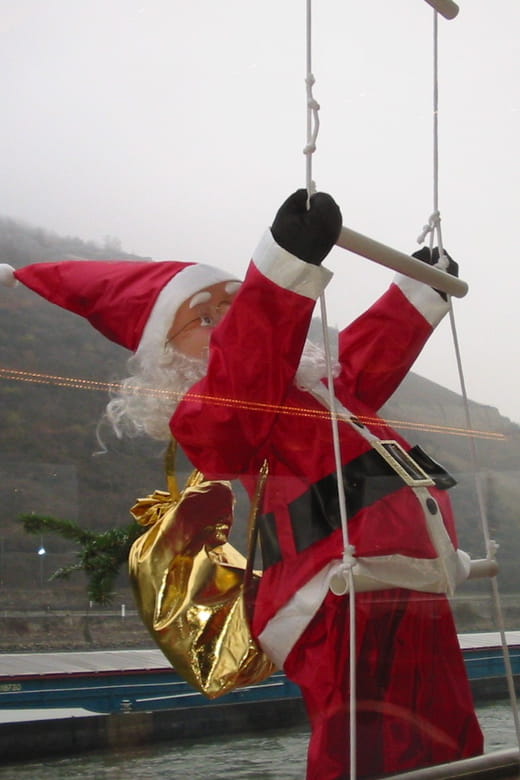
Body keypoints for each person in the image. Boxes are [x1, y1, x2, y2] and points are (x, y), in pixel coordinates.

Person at [0, 190, 483, 779]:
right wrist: (280, 275)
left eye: (235, 306)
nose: (228, 323)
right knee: (365, 742)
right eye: (206, 319)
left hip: (404, 578)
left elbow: (365, 357)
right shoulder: (212, 411)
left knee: (448, 727)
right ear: (166, 357)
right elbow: (248, 370)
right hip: (334, 594)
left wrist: (419, 288)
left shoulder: (316, 390)